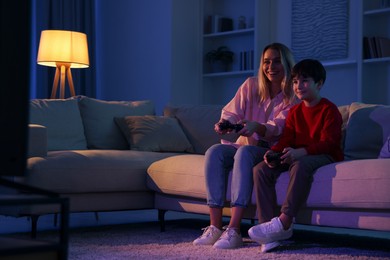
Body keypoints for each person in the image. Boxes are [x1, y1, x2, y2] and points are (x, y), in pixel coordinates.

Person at [193, 43, 298, 249]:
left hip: (270, 149)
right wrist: (225, 124)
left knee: (245, 152)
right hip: (243, 144)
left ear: (286, 64)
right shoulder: (250, 85)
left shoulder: (292, 95)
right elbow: (231, 111)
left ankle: (234, 229)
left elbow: (278, 127)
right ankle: (215, 226)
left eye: (277, 61)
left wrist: (256, 127)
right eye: (267, 62)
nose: (271, 67)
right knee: (214, 151)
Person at [248, 59, 344, 253]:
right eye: (295, 82)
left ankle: (285, 221)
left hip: (324, 155)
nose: (298, 86)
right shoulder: (294, 111)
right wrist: (273, 153)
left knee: (299, 165)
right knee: (261, 169)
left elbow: (329, 143)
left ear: (319, 83)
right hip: (298, 154)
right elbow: (286, 140)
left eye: (305, 81)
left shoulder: (329, 110)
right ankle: (268, 230)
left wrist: (303, 152)